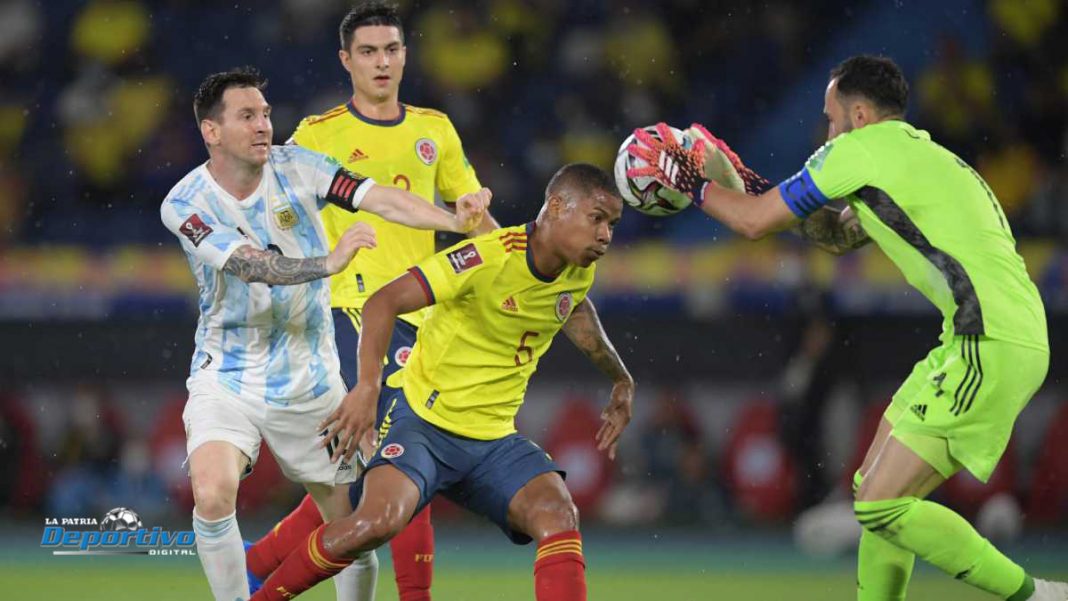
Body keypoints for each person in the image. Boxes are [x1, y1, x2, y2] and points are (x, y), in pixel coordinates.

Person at [628, 55, 1066, 601]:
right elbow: (833, 234)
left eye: (831, 118)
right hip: (979, 337)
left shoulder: (858, 150)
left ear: (859, 115)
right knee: (872, 491)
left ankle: (1040, 595)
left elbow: (753, 221)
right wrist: (736, 175)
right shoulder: (920, 157)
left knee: (881, 505)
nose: (827, 130)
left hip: (989, 340)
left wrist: (691, 182)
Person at [160, 66, 488, 601]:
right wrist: (329, 262)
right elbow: (249, 265)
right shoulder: (184, 203)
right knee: (213, 492)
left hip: (310, 378)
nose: (264, 124)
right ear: (211, 132)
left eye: (265, 113)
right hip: (227, 375)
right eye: (247, 116)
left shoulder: (302, 167)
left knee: (351, 527)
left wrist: (453, 221)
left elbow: (380, 197)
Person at [248, 163, 635, 601]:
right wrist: (369, 387)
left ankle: (257, 562)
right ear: (557, 206)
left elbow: (574, 307)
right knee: (373, 524)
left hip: (493, 442)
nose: (606, 235)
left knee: (558, 512)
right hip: (424, 428)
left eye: (613, 224)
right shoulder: (487, 257)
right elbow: (384, 300)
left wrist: (619, 379)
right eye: (597, 218)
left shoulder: (578, 267)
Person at [244, 3, 499, 599]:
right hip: (351, 316)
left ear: (405, 56)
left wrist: (494, 238)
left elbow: (475, 222)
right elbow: (277, 220)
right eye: (368, 51)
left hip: (429, 321)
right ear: (346, 60)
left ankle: (255, 568)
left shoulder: (435, 129)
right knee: (412, 461)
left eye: (391, 50)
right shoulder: (317, 134)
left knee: (368, 487)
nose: (381, 62)